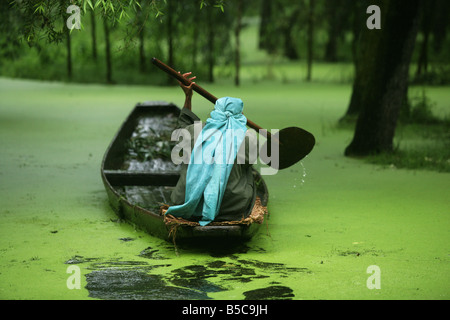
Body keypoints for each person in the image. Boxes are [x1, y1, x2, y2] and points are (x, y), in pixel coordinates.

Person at [166, 72, 256, 226]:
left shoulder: (192, 132)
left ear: (216, 112)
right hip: (233, 209)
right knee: (248, 172)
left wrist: (188, 97)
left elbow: (183, 125)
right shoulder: (248, 138)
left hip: (184, 204)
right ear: (240, 116)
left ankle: (197, 204)